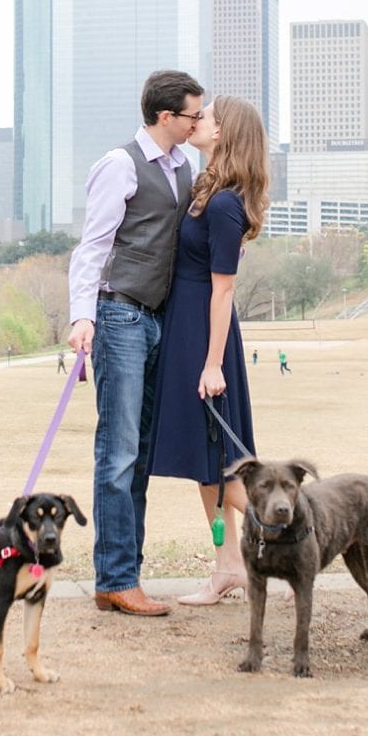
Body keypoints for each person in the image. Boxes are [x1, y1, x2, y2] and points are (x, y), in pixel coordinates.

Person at [65, 69, 204, 618]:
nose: (198, 123)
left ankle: (126, 576)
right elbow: (92, 247)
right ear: (166, 116)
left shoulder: (184, 165)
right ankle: (116, 579)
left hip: (159, 320)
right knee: (118, 451)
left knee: (141, 453)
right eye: (193, 115)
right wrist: (82, 317)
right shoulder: (119, 165)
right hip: (119, 315)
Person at [147, 94, 270, 605]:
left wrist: (213, 363)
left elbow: (224, 289)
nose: (199, 122)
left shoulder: (223, 204)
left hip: (204, 333)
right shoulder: (208, 189)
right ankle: (228, 568)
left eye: (208, 118)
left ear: (223, 134)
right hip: (187, 328)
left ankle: (296, 528)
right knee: (207, 460)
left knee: (220, 461)